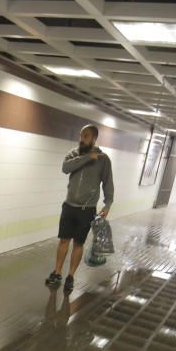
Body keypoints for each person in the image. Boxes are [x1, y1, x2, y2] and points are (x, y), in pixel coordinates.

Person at [46, 124, 114, 293]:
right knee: (63, 240)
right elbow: (65, 168)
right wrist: (86, 158)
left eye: (85, 136)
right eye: (81, 136)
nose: (81, 139)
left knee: (78, 243)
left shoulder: (103, 159)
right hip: (69, 206)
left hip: (87, 209)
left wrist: (108, 204)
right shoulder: (73, 154)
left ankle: (70, 276)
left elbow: (107, 182)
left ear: (94, 138)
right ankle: (57, 272)